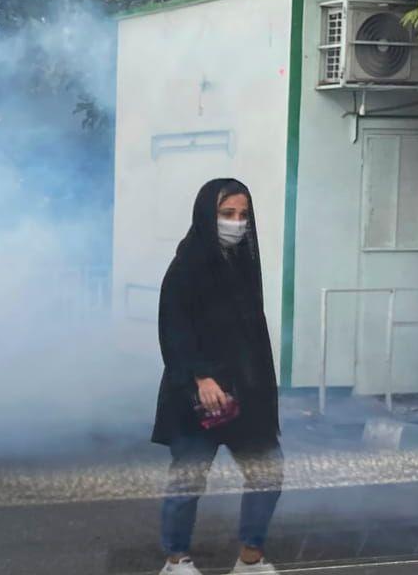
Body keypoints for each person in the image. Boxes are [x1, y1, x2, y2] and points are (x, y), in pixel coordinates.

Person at [152, 178, 282, 575]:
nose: (237, 223)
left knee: (268, 473)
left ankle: (250, 560)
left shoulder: (244, 263)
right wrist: (201, 378)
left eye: (243, 215)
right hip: (199, 397)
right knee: (188, 483)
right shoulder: (186, 265)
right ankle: (176, 561)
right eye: (227, 215)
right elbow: (173, 329)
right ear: (208, 216)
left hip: (247, 393)